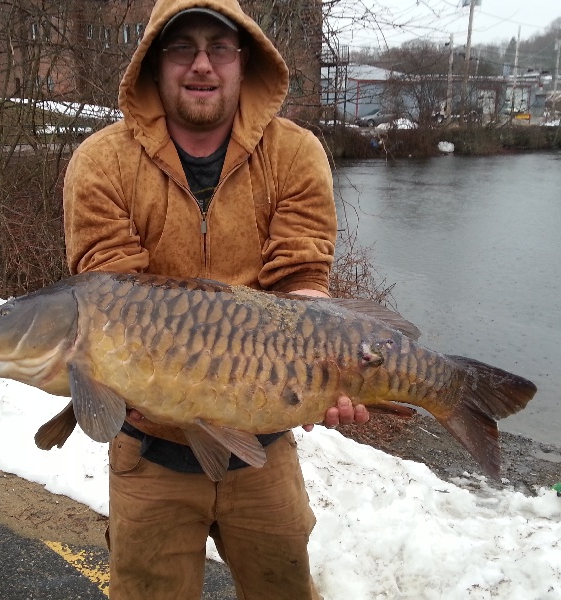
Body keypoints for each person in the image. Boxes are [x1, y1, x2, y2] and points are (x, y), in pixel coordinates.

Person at [62, 0, 369, 597]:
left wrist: (333, 372)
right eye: (182, 48)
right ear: (153, 63)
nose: (201, 65)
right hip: (148, 453)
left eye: (218, 47)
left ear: (243, 61)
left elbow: (302, 279)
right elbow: (111, 299)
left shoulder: (295, 154)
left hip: (263, 446)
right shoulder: (102, 162)